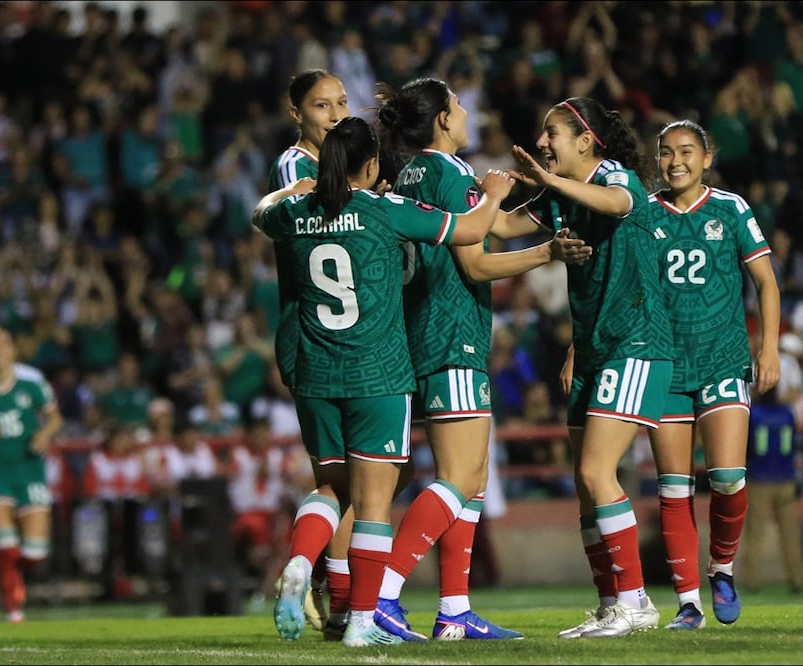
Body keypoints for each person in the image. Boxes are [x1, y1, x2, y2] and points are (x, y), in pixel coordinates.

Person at [254, 115, 516, 647]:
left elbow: (259, 212)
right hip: (376, 374)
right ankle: (363, 624)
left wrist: (291, 189)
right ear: (371, 165)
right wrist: (491, 195)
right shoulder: (383, 209)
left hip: (315, 375)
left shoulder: (294, 213)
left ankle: (302, 561)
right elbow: (468, 231)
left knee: (332, 486)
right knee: (374, 503)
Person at [372, 77, 590, 642]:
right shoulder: (449, 172)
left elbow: (499, 225)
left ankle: (454, 611)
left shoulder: (412, 173)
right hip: (452, 333)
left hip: (426, 331)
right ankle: (385, 595)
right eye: (459, 105)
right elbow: (476, 265)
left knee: (467, 480)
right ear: (443, 120)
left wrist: (552, 190)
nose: (467, 113)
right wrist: (549, 253)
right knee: (461, 476)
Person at [488, 96, 674, 638]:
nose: (544, 141)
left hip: (635, 344)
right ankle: (610, 603)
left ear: (586, 140)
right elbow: (500, 230)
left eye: (554, 133)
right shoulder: (557, 195)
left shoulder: (612, 175)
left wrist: (549, 180)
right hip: (592, 349)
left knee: (598, 472)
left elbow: (618, 203)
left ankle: (637, 601)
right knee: (584, 482)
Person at [645, 119, 782, 629]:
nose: (675, 161)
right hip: (665, 365)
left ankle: (721, 568)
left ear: (707, 158)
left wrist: (768, 348)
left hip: (722, 358)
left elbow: (766, 283)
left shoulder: (731, 208)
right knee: (674, 488)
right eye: (665, 153)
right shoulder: (644, 213)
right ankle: (687, 603)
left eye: (685, 151)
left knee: (726, 477)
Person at [265, 69, 357, 639]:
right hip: (316, 334)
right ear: (296, 113)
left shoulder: (346, 165)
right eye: (322, 105)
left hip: (345, 335)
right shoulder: (296, 168)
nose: (336, 113)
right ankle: (337, 591)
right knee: (353, 475)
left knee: (362, 476)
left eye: (343, 103)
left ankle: (321, 576)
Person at [0, 325, 65, 623]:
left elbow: (55, 418)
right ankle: (12, 607)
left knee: (34, 553)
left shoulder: (32, 380)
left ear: (13, 349)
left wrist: (45, 434)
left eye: (3, 344)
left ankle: (10, 574)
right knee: (5, 542)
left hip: (30, 469)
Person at [741, 382, 803, 596]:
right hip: (786, 478)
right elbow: (796, 446)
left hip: (760, 478)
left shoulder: (754, 414)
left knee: (755, 533)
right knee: (790, 534)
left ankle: (752, 581)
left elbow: (747, 446)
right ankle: (797, 579)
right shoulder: (787, 413)